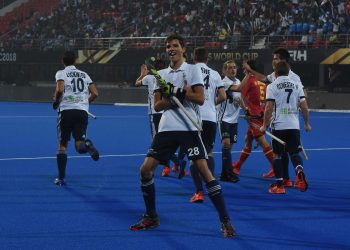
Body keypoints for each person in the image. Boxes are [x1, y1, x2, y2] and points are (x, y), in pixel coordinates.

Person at [129, 34, 236, 237]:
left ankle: (225, 220)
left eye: (175, 45)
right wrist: (176, 94)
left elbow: (200, 98)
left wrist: (176, 91)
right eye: (168, 46)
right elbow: (158, 104)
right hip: (167, 128)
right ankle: (151, 216)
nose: (171, 49)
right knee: (145, 170)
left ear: (183, 48)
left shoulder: (193, 69)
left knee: (205, 173)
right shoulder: (161, 73)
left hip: (188, 128)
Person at [243, 48, 305, 183]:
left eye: (276, 58)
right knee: (289, 152)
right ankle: (289, 177)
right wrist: (251, 71)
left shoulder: (294, 77)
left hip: (278, 121)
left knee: (279, 153)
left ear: (283, 60)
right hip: (292, 122)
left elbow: (301, 95)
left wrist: (265, 124)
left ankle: (281, 181)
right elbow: (264, 78)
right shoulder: (276, 75)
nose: (273, 61)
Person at [261, 61, 311, 194]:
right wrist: (306, 123)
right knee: (294, 153)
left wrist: (264, 125)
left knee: (277, 155)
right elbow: (305, 107)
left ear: (276, 73)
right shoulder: (297, 85)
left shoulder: (272, 86)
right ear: (289, 72)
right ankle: (299, 171)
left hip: (278, 126)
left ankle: (279, 185)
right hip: (294, 126)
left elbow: (269, 108)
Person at [52, 51, 99, 186]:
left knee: (62, 146)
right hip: (82, 112)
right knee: (79, 145)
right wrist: (84, 103)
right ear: (75, 61)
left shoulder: (61, 73)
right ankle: (88, 146)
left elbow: (60, 90)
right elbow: (95, 93)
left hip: (66, 110)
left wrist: (56, 102)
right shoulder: (84, 74)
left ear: (63, 61)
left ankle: (61, 178)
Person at [135, 60, 186, 178]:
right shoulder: (168, 77)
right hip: (166, 113)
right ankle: (167, 168)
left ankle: (176, 162)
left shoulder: (149, 78)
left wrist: (142, 74)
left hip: (154, 112)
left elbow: (137, 83)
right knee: (166, 140)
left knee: (157, 142)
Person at [189, 47, 227, 203]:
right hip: (211, 117)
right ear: (207, 59)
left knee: (193, 157)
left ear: (193, 58)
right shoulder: (216, 74)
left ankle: (198, 192)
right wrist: (212, 103)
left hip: (193, 117)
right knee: (209, 153)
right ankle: (211, 186)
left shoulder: (189, 70)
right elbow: (223, 96)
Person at [231, 60, 274, 178]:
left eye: (244, 68)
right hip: (262, 114)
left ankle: (276, 167)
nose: (243, 70)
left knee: (262, 142)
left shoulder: (249, 80)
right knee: (248, 140)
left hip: (253, 116)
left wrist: (245, 110)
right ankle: (238, 166)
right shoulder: (262, 81)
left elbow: (241, 98)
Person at [217, 60, 242, 183]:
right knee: (226, 144)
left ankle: (223, 174)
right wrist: (250, 75)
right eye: (230, 68)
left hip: (234, 120)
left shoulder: (238, 81)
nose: (233, 70)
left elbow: (240, 98)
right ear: (225, 71)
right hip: (224, 119)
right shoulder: (224, 82)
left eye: (234, 67)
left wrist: (246, 109)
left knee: (228, 148)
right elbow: (239, 89)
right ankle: (230, 173)